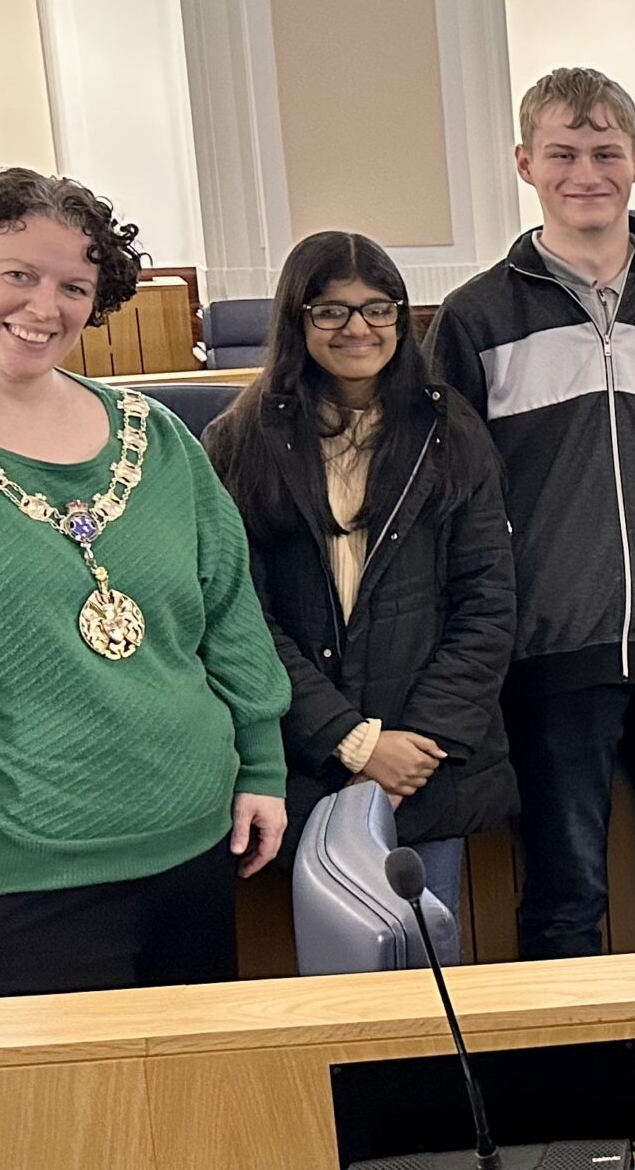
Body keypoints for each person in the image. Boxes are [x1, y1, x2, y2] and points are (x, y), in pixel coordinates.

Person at [0, 169, 288, 1000]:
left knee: (202, 1116)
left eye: (74, 286)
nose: (47, 307)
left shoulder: (157, 439)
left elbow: (229, 613)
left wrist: (261, 763)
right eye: (19, 274)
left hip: (193, 850)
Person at [428, 67, 635, 959]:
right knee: (564, 896)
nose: (585, 172)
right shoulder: (476, 316)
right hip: (550, 649)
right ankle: (576, 1096)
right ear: (526, 162)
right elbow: (455, 502)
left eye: (605, 152)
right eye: (562, 153)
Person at [205, 231, 516, 927]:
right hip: (309, 760)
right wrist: (352, 742)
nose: (358, 329)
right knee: (338, 980)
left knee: (427, 966)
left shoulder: (448, 428)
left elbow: (487, 602)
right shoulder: (238, 440)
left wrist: (415, 746)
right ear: (297, 319)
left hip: (425, 766)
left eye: (379, 309)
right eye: (331, 311)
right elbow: (239, 618)